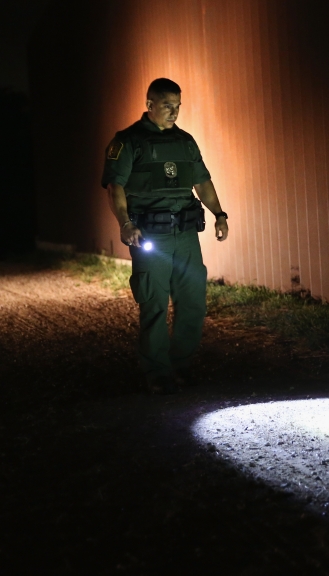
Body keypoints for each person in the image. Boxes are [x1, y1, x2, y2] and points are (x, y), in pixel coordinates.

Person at [101, 78, 229, 395]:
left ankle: (181, 366)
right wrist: (125, 223)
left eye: (178, 106)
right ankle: (157, 373)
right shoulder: (127, 142)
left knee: (193, 303)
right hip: (150, 234)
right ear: (150, 105)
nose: (174, 112)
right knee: (154, 304)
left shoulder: (185, 142)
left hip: (185, 233)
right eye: (167, 105)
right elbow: (115, 187)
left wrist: (220, 214)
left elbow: (202, 181)